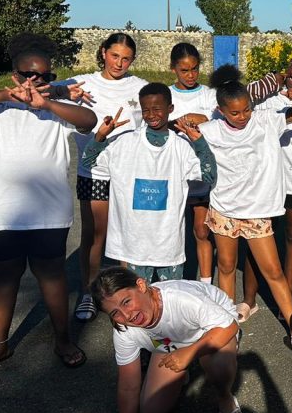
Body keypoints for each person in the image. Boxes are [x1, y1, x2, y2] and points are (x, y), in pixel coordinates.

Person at [0, 33, 97, 375]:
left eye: (44, 76)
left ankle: (63, 340)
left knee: (53, 276)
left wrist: (49, 102)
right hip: (0, 211)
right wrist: (4, 94)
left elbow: (88, 121)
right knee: (4, 278)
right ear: (15, 75)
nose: (35, 81)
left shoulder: (55, 113)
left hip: (49, 214)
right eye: (28, 74)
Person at [198, 65, 292, 355]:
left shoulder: (265, 121)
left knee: (273, 271)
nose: (242, 116)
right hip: (224, 209)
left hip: (257, 211)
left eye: (246, 109)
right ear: (221, 111)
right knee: (226, 267)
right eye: (235, 112)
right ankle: (228, 327)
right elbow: (189, 128)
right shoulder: (210, 130)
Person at [86, 267, 243, 413]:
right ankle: (181, 368)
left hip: (215, 327)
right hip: (171, 344)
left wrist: (190, 352)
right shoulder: (123, 330)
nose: (127, 315)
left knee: (218, 365)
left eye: (126, 302)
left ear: (141, 285)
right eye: (115, 313)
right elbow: (128, 387)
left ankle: (225, 397)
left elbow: (229, 326)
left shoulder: (181, 299)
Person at [81, 83, 217, 283]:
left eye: (157, 109)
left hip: (168, 246)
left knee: (169, 299)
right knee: (138, 298)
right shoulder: (124, 144)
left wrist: (200, 143)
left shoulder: (181, 147)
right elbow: (88, 162)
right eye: (146, 110)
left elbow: (209, 177)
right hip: (133, 246)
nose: (151, 115)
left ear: (170, 109)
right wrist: (100, 136)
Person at [60, 33, 147, 323]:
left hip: (129, 174)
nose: (119, 63)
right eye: (114, 55)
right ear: (103, 52)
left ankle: (130, 295)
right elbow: (42, 93)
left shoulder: (140, 87)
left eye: (126, 58)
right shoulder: (81, 83)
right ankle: (88, 292)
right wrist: (61, 92)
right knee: (94, 234)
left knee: (129, 234)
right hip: (93, 172)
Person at [239, 47, 292, 320]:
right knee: (257, 236)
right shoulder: (265, 92)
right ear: (290, 63)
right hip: (265, 178)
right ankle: (248, 300)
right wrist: (272, 80)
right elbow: (241, 99)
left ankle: (284, 300)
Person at [168, 42, 219, 284]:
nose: (191, 75)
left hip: (200, 170)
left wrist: (195, 118)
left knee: (201, 230)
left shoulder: (208, 94)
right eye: (184, 70)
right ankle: (171, 282)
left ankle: (205, 284)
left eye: (195, 69)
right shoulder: (166, 94)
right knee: (171, 230)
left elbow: (216, 119)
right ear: (173, 69)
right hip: (172, 170)